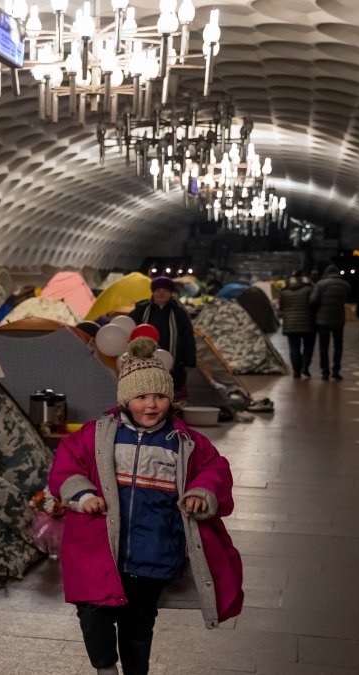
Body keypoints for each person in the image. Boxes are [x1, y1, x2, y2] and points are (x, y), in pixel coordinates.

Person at [49, 336, 243, 675]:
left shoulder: (183, 443)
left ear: (170, 398)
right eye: (141, 397)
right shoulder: (96, 434)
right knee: (92, 613)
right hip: (98, 550)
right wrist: (83, 495)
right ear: (126, 399)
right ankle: (105, 669)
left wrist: (200, 491)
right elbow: (67, 465)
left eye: (159, 396)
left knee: (137, 627)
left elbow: (215, 468)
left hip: (153, 552)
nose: (151, 405)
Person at [129, 276, 195, 396]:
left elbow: (187, 337)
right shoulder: (142, 309)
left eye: (165, 290)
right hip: (144, 360)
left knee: (168, 393)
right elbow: (128, 328)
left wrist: (189, 361)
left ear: (170, 293)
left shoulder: (178, 312)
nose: (161, 293)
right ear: (153, 292)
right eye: (158, 290)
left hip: (173, 361)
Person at [311, 264, 351, 380]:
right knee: (338, 346)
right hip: (338, 320)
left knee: (324, 347)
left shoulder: (320, 284)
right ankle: (336, 370)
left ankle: (325, 372)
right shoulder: (345, 285)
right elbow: (349, 298)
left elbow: (313, 301)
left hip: (323, 320)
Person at [279, 270, 316, 379]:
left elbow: (281, 307)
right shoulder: (309, 290)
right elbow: (314, 304)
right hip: (308, 323)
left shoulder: (284, 291)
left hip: (290, 324)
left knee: (294, 347)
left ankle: (296, 371)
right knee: (308, 347)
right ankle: (305, 367)